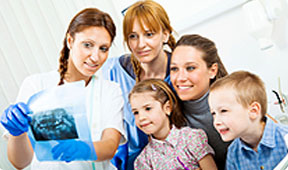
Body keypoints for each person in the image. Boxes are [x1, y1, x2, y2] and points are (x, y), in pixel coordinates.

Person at [0, 8, 125, 170]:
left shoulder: (110, 90)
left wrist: (84, 149)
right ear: (70, 41)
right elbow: (19, 162)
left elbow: (110, 146)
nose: (96, 57)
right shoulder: (36, 85)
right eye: (87, 45)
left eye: (103, 49)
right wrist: (17, 133)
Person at [101, 0, 176, 169]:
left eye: (149, 34)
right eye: (133, 36)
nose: (140, 44)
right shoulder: (113, 71)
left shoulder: (180, 74)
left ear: (165, 34)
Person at [170, 34, 230, 169]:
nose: (180, 78)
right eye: (174, 69)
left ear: (212, 71)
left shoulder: (237, 101)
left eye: (190, 68)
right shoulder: (172, 118)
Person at [129, 79, 217, 170]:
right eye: (136, 112)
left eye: (148, 108)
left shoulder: (191, 137)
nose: (141, 117)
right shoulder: (144, 161)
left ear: (167, 108)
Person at [208, 70, 288, 170]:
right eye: (213, 113)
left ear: (253, 111)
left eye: (223, 111)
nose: (216, 122)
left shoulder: (285, 138)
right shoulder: (233, 153)